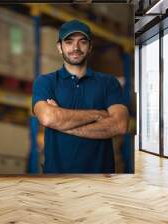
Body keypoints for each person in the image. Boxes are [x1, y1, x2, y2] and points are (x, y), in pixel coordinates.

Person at [32, 19, 128, 173]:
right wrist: (97, 114)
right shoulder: (45, 82)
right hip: (57, 180)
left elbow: (120, 125)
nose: (75, 47)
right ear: (59, 47)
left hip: (101, 180)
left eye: (82, 42)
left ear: (90, 47)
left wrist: (62, 124)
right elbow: (48, 118)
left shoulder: (109, 83)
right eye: (69, 42)